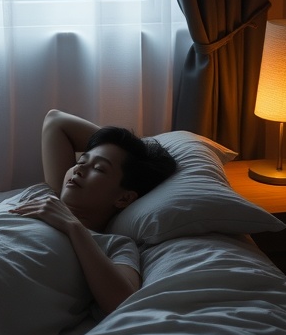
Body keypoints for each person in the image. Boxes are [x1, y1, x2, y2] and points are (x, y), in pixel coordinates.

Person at [9, 109, 177, 316]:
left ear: (124, 198)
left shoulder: (114, 246)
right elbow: (55, 120)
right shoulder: (44, 195)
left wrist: (74, 228)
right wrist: (123, 145)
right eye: (81, 161)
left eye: (98, 168)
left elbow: (123, 303)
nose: (78, 170)